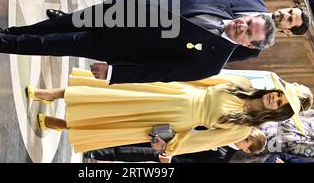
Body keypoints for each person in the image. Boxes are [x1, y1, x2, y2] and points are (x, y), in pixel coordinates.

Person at [0, 0, 275, 83]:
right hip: (123, 14)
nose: (242, 26)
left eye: (249, 33)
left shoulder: (212, 63)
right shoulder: (219, 4)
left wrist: (115, 73)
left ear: (248, 46)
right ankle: (5, 33)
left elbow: (160, 74)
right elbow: (182, 0)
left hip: (117, 46)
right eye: (248, 21)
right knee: (53, 25)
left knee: (53, 44)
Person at [47, 0, 310, 61]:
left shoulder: (252, 47)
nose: (282, 15)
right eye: (288, 11)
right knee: (99, 15)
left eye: (288, 20)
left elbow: (204, 53)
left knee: (88, 40)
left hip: (160, 38)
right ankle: (63, 22)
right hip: (163, 8)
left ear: (287, 31)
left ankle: (57, 34)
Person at [25, 68, 312, 155]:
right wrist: (163, 74)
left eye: (281, 103)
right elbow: (201, 77)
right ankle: (50, 95)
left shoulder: (242, 128)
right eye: (280, 93)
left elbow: (202, 141)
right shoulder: (243, 84)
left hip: (176, 119)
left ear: (279, 112)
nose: (276, 98)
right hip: (173, 91)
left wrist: (172, 148)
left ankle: (59, 124)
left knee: (116, 124)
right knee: (113, 93)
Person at [82, 127, 266, 163]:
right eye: (248, 135)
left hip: (169, 152)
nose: (243, 137)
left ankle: (93, 151)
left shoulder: (223, 155)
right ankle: (91, 138)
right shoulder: (225, 131)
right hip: (171, 134)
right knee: (130, 138)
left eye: (247, 140)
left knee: (130, 152)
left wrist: (170, 158)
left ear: (246, 150)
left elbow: (191, 158)